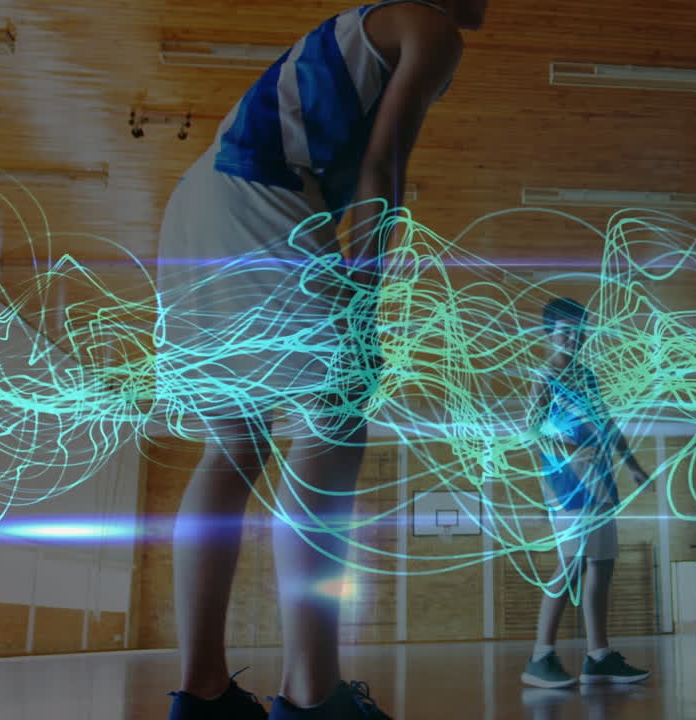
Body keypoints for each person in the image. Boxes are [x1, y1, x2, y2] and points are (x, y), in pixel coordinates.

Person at [156, 2, 487, 718]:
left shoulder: (376, 24)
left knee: (235, 444)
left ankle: (203, 693)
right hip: (258, 198)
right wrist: (361, 303)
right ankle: (314, 695)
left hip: (197, 200)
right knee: (331, 426)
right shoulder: (430, 27)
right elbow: (381, 168)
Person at [519, 298, 653, 690]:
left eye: (580, 332)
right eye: (565, 332)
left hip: (601, 481)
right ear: (549, 335)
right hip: (567, 486)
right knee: (572, 565)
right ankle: (540, 656)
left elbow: (607, 424)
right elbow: (531, 433)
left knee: (603, 565)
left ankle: (598, 656)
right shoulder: (545, 376)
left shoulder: (587, 376)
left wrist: (631, 464)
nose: (574, 338)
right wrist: (550, 481)